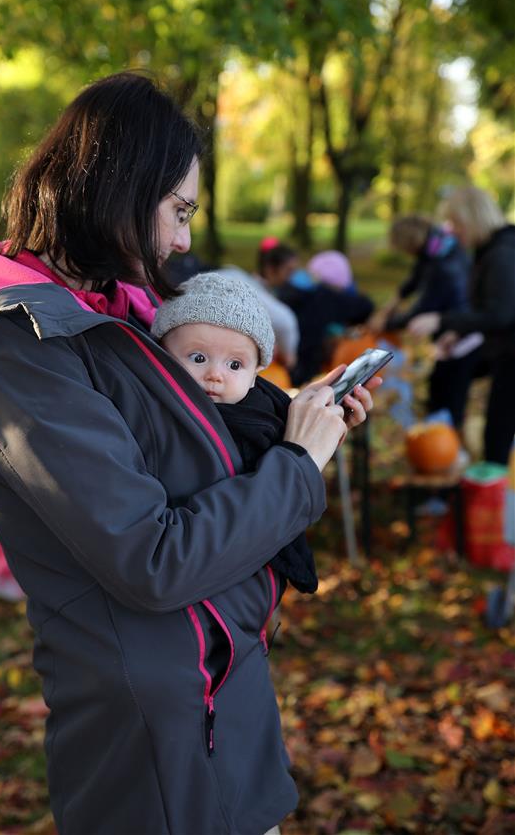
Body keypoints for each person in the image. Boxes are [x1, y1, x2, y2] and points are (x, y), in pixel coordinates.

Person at [0, 71, 378, 835]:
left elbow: (187, 447)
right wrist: (298, 468)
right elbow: (149, 557)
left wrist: (291, 417)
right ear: (115, 190)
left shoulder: (120, 309)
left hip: (219, 679)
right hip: (155, 725)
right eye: (178, 210)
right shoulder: (18, 351)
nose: (184, 239)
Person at [151, 270, 319, 595]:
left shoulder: (268, 417)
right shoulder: (156, 418)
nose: (215, 375)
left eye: (235, 365)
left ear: (256, 374)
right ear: (161, 356)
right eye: (198, 358)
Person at [409, 186, 515, 465]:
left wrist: (441, 320)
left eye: (456, 223)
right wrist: (458, 332)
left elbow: (500, 314)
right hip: (504, 352)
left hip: (511, 356)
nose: (451, 231)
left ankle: (495, 501)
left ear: (473, 218)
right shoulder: (491, 249)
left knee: (498, 436)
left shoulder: (502, 253)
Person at [368, 214, 472, 428]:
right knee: (441, 383)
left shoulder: (442, 267)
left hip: (461, 330)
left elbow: (420, 310)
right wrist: (389, 307)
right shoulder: (437, 246)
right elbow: (413, 281)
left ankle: (449, 436)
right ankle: (444, 429)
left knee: (449, 388)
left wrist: (386, 324)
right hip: (454, 323)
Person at [262, 245, 374, 386]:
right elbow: (366, 306)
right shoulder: (325, 296)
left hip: (277, 372)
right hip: (308, 372)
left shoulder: (278, 294)